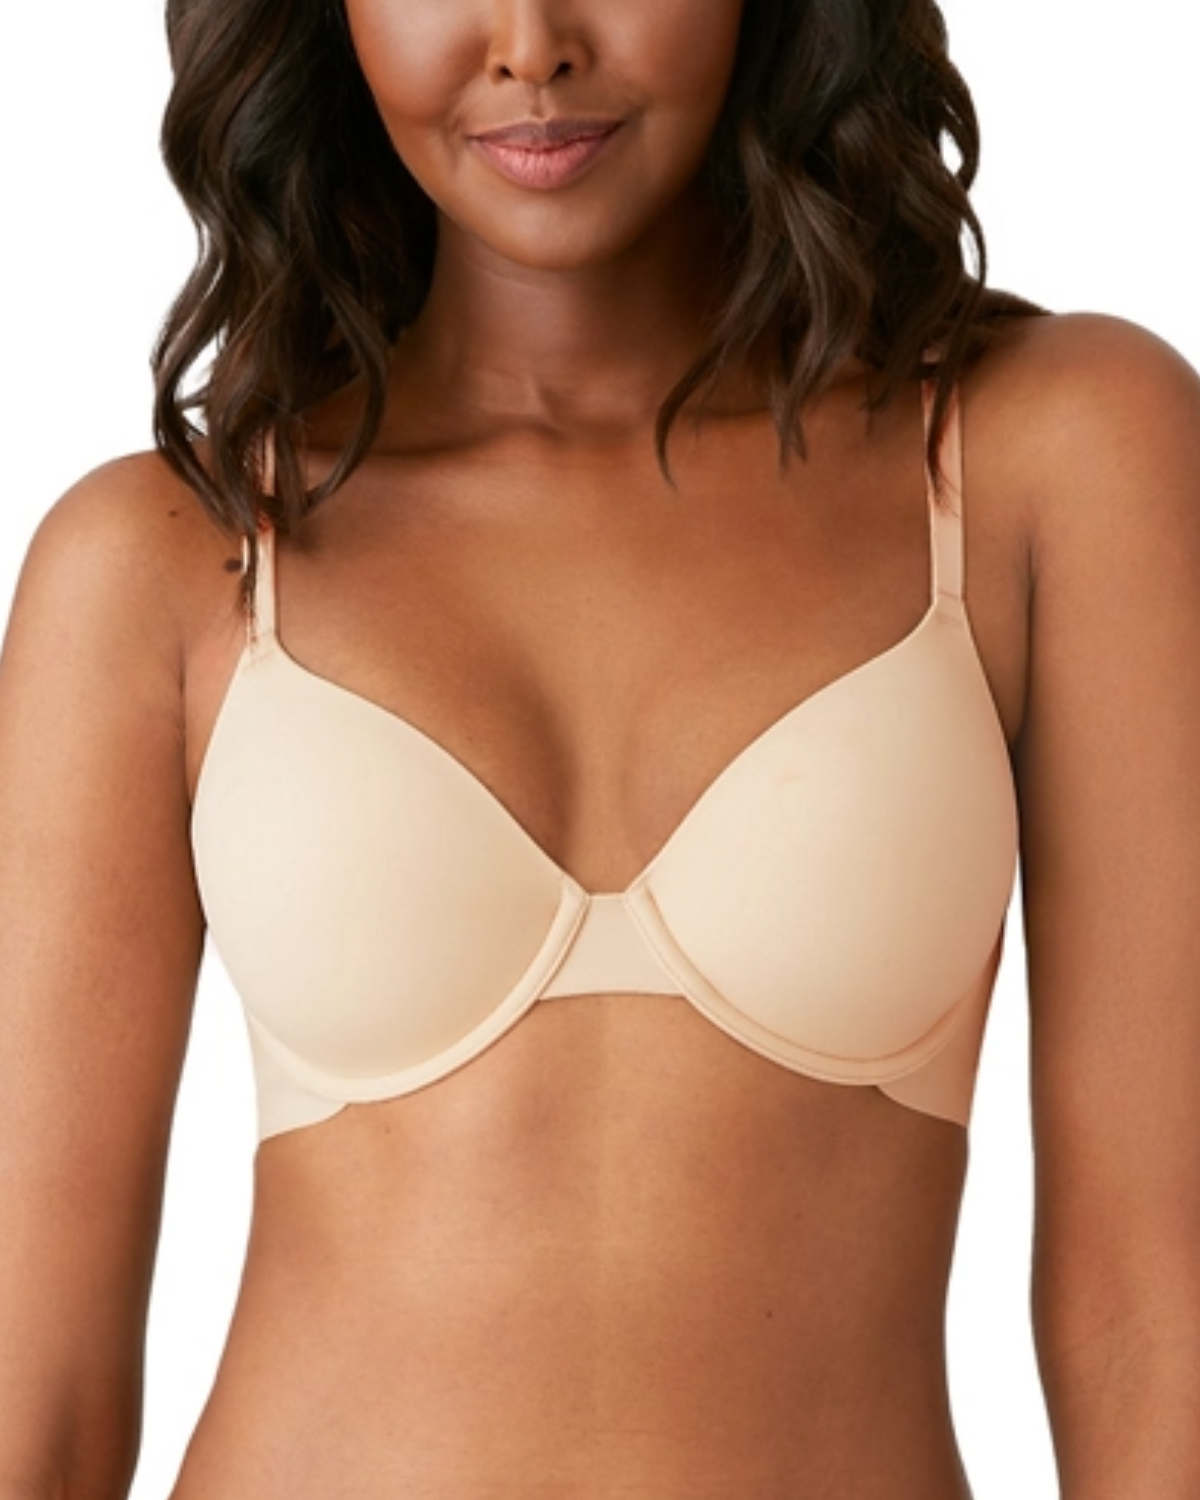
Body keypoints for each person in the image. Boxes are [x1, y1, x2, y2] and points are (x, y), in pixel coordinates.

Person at [1, 1, 1198, 1496]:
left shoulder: (1051, 455)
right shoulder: (166, 560)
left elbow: (1153, 1321)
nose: (531, 43)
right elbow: (33, 1402)